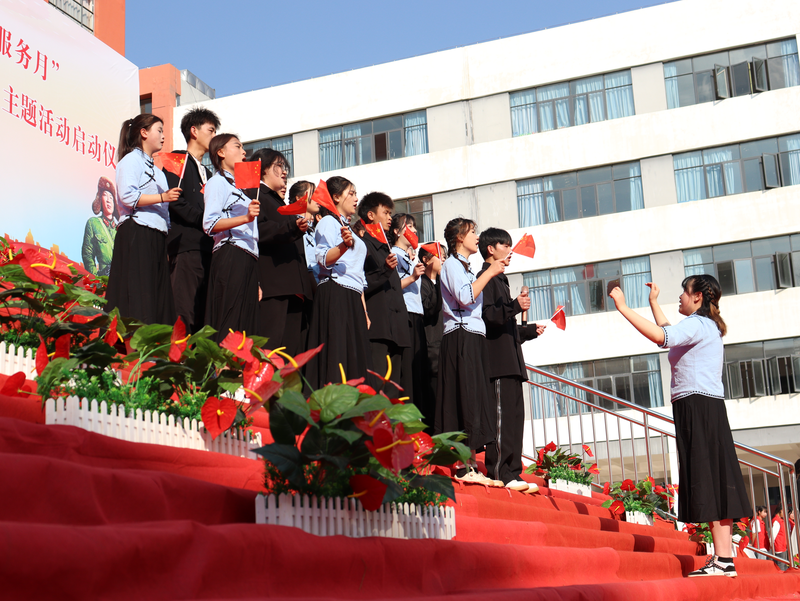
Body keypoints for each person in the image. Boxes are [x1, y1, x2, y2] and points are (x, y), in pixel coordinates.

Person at [608, 274, 751, 577]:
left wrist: (623, 307)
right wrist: (653, 303)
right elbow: (669, 333)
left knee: (708, 479)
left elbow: (662, 337)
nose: (681, 297)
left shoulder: (697, 324)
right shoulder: (703, 325)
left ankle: (723, 560)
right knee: (713, 478)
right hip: (704, 406)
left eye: (684, 292)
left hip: (698, 406)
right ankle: (724, 560)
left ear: (697, 296)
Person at [435, 218, 507, 485]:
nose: (477, 237)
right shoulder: (451, 265)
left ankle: (471, 465)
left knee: (475, 400)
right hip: (460, 335)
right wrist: (489, 273)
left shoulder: (466, 267)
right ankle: (463, 467)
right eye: (472, 232)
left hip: (474, 336)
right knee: (464, 398)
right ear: (459, 237)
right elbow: (465, 297)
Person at [478, 228, 546, 492]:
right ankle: (500, 471)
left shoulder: (501, 280)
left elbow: (504, 324)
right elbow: (489, 317)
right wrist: (515, 306)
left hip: (512, 362)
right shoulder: (485, 277)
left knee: (515, 420)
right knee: (502, 421)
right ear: (490, 249)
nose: (510, 250)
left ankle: (513, 472)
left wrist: (528, 331)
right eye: (505, 245)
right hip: (498, 364)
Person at [106, 114, 180, 325]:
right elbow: (127, 196)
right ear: (144, 132)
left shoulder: (159, 172)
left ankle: (155, 343)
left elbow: (165, 212)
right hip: (137, 231)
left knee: (158, 298)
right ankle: (134, 344)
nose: (163, 136)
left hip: (157, 236)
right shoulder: (130, 160)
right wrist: (162, 197)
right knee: (139, 295)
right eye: (159, 130)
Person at [305, 177, 371, 389]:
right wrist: (343, 246)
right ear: (335, 197)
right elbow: (323, 259)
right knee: (338, 355)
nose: (356, 198)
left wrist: (364, 311)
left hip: (353, 296)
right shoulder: (328, 222)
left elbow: (359, 275)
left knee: (356, 358)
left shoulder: (347, 228)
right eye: (351, 193)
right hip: (335, 291)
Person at [245, 149, 313, 356]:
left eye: (285, 167)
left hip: (294, 288)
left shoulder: (279, 202)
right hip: (273, 287)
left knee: (290, 355)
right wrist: (292, 227)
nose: (284, 172)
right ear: (263, 168)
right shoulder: (256, 196)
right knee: (270, 349)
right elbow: (258, 230)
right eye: (279, 166)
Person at [164, 107, 220, 334]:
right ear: (194, 131)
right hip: (186, 247)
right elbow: (174, 201)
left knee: (203, 315)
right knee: (184, 312)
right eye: (211, 130)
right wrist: (205, 220)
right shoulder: (176, 159)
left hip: (208, 249)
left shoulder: (209, 172)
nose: (214, 136)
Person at [202, 134, 260, 342]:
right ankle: (224, 362)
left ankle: (239, 363)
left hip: (249, 257)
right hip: (231, 252)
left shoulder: (241, 189)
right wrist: (245, 217)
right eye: (237, 146)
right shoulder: (217, 182)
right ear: (221, 152)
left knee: (247, 325)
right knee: (230, 320)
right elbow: (209, 224)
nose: (244, 152)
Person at [357, 193, 410, 398]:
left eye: (390, 213)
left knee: (393, 390)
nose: (390, 218)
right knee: (375, 387)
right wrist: (385, 270)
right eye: (386, 213)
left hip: (395, 327)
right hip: (378, 327)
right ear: (371, 215)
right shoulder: (363, 244)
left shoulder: (386, 245)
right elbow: (361, 283)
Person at [390, 213, 430, 416]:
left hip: (417, 315)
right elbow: (392, 286)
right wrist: (413, 276)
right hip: (404, 314)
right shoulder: (393, 254)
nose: (414, 230)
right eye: (410, 226)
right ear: (397, 231)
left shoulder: (408, 257)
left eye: (415, 227)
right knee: (406, 371)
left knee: (418, 372)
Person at [419, 243, 444, 426]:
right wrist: (435, 278)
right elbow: (429, 309)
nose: (443, 260)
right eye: (439, 256)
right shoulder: (421, 283)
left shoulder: (442, 283)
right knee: (433, 404)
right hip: (431, 350)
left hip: (443, 348)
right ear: (426, 260)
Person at [81, 176, 118, 276]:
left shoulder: (120, 228)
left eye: (111, 198)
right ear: (100, 199)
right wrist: (96, 278)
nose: (108, 200)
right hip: (103, 277)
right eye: (105, 196)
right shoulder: (93, 223)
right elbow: (87, 255)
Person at [288, 180, 320, 283]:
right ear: (299, 198)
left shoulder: (314, 230)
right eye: (313, 194)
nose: (318, 198)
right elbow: (307, 267)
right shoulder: (294, 227)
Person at [772, 506, 789, 570]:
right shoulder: (777, 521)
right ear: (781, 511)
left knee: (784, 564)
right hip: (779, 546)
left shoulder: (780, 520)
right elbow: (773, 534)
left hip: (783, 546)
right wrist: (771, 544)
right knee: (781, 565)